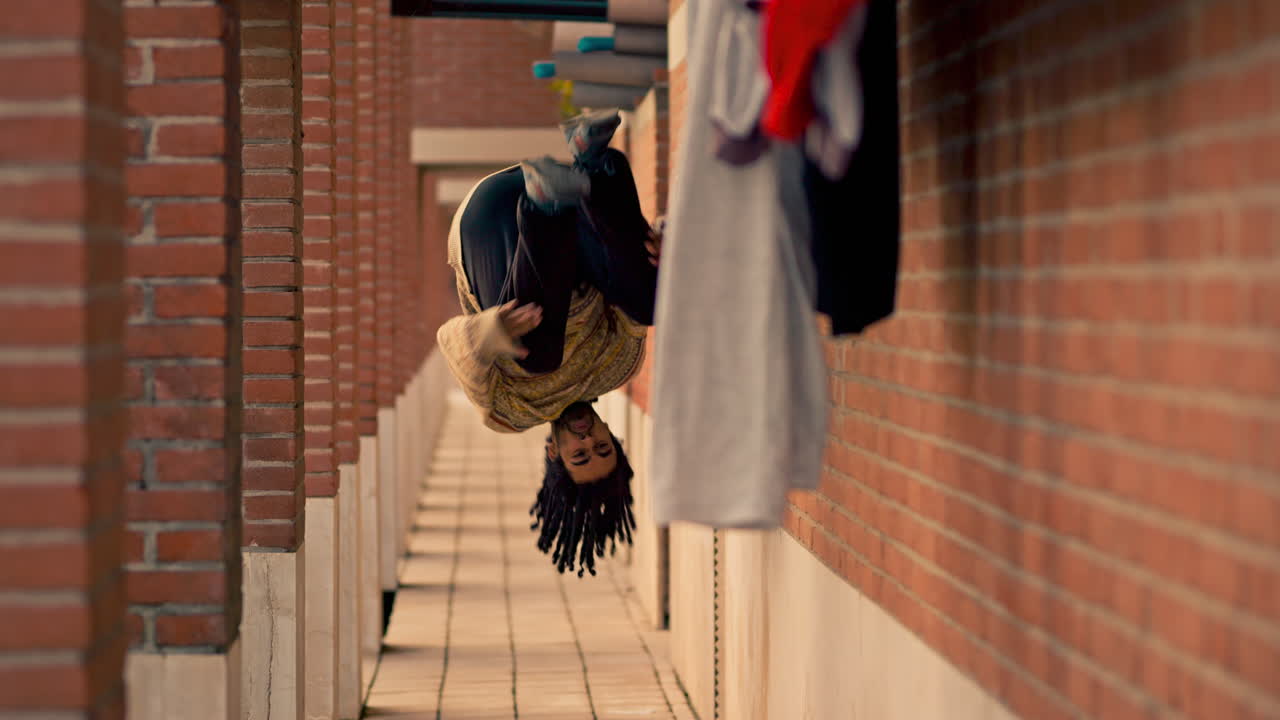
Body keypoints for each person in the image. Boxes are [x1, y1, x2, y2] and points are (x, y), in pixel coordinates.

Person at [436, 109, 662, 576]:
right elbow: (632, 278)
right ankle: (595, 161)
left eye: (581, 454)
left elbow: (452, 342)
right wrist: (665, 247)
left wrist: (492, 330)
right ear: (613, 440)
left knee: (537, 356)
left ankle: (543, 204)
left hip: (492, 228)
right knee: (653, 306)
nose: (588, 438)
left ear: (554, 454)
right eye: (604, 448)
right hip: (570, 213)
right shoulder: (620, 364)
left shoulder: (510, 412)